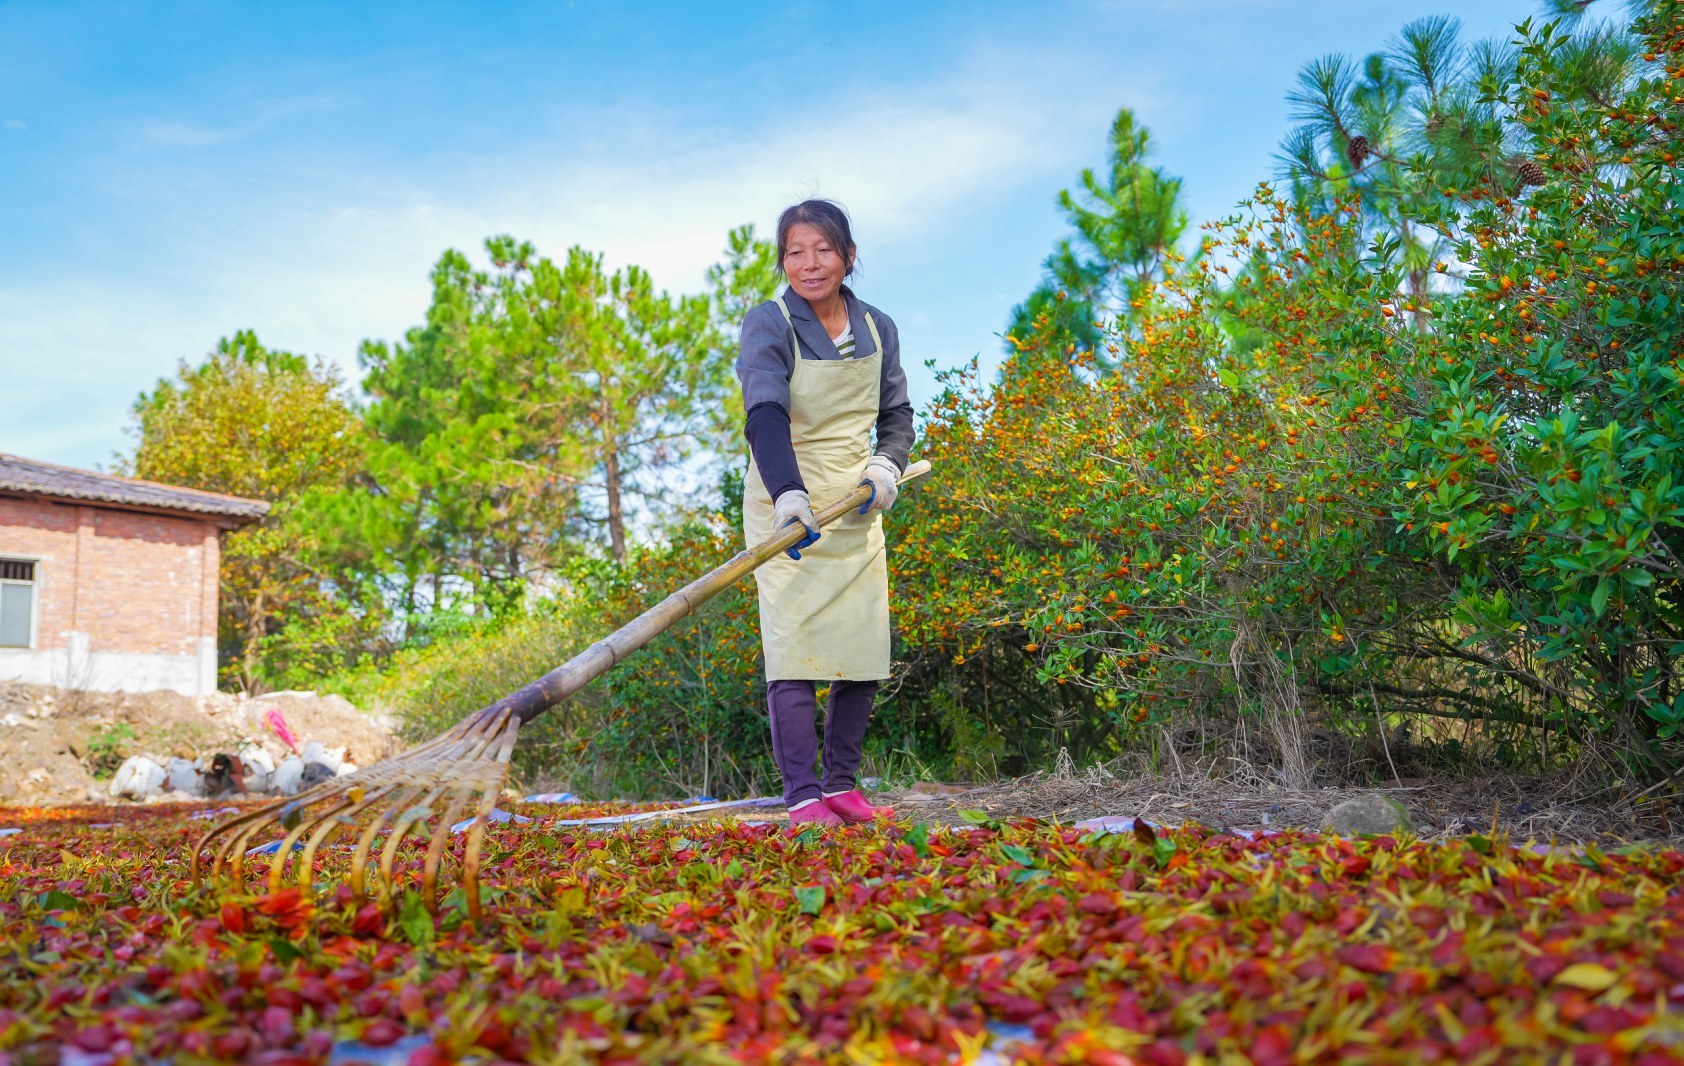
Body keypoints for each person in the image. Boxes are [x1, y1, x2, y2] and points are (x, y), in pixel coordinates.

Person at [736, 200, 915, 828]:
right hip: (786, 502)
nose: (809, 264)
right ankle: (804, 795)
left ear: (848, 256)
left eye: (823, 250)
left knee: (859, 642)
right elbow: (765, 414)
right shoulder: (770, 323)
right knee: (794, 646)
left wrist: (885, 467)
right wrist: (788, 494)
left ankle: (842, 785)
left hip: (855, 501)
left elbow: (897, 415)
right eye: (795, 252)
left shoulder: (877, 327)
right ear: (783, 260)